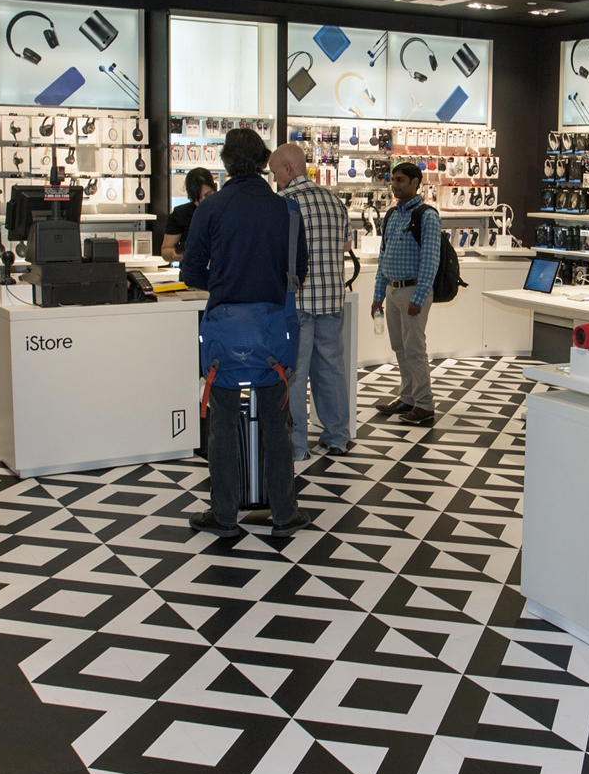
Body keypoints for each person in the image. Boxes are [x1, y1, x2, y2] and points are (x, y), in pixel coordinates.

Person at [181, 128, 305, 539]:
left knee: (222, 424)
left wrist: (225, 280)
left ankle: (225, 515)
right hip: (273, 329)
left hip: (225, 329)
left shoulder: (211, 207)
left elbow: (191, 272)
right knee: (277, 422)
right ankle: (284, 513)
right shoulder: (286, 211)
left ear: (225, 162)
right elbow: (297, 272)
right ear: (263, 160)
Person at [269, 143, 355, 461]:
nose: (274, 177)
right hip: (332, 298)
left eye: (275, 170)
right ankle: (336, 437)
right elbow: (346, 244)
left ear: (289, 169)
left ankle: (298, 445)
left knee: (294, 373)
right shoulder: (334, 200)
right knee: (331, 370)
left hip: (298, 300)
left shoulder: (283, 203)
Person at [372, 162, 442, 426]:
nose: (395, 184)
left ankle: (424, 404)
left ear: (415, 183)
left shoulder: (427, 216)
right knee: (399, 347)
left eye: (400, 180)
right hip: (392, 290)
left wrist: (419, 297)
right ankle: (408, 397)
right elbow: (383, 259)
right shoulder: (391, 215)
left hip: (414, 291)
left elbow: (430, 260)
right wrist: (378, 296)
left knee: (414, 349)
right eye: (393, 180)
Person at [161, 167, 216, 261]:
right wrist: (174, 254)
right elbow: (165, 251)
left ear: (215, 187)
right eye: (197, 198)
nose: (203, 201)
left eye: (208, 195)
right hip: (191, 272)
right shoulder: (180, 214)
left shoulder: (226, 210)